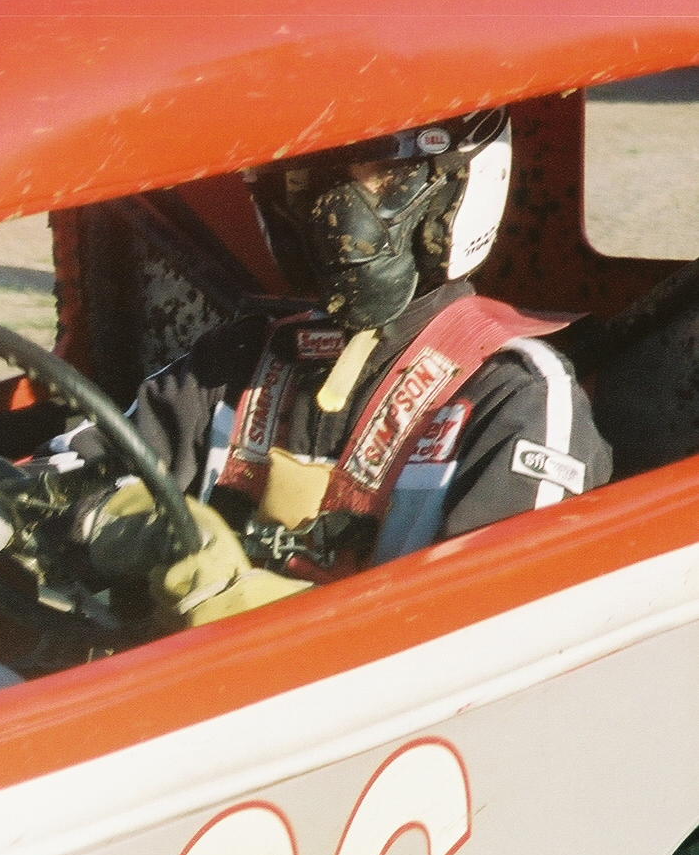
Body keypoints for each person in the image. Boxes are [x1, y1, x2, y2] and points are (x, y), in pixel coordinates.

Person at [58, 109, 611, 626]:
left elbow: (495, 626)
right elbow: (64, 475)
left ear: (457, 188)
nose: (337, 214)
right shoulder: (239, 357)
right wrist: (128, 518)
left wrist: (260, 613)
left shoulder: (516, 395)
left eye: (379, 174)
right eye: (314, 180)